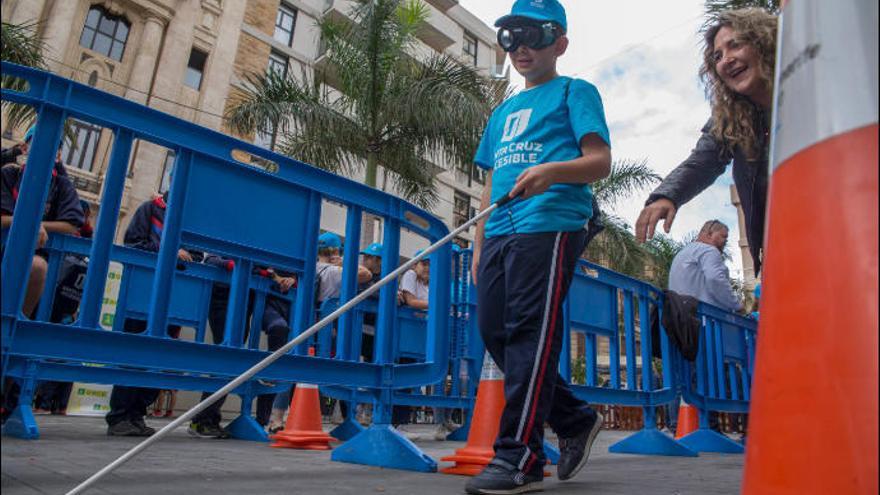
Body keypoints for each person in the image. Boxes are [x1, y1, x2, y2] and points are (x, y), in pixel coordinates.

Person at [467, 1, 611, 492]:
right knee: (493, 329)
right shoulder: (502, 111)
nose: (521, 48)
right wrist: (478, 241)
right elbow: (490, 182)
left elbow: (599, 161)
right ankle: (573, 419)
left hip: (549, 222)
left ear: (560, 43)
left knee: (529, 330)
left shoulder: (575, 91)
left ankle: (519, 458)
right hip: (500, 229)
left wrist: (551, 172)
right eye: (510, 37)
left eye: (534, 36)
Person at [635, 8, 777, 277]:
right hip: (782, 246)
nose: (727, 60)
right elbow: (703, 161)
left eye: (736, 45)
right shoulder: (732, 120)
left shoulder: (814, 84)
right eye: (718, 56)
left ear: (764, 42)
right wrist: (667, 195)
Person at [1, 126, 84, 424]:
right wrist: (28, 222)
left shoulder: (61, 185)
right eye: (42, 144)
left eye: (55, 147)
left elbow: (74, 223)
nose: (50, 151)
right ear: (25, 147)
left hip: (38, 276)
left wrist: (42, 227)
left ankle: (13, 329)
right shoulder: (9, 174)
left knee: (37, 268)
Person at [104, 191, 201, 436]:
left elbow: (198, 254)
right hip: (142, 293)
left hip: (172, 298)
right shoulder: (149, 209)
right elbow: (133, 242)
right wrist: (169, 250)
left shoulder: (191, 220)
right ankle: (119, 416)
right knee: (134, 352)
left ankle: (137, 413)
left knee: (159, 358)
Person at [668, 220, 742, 313]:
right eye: (723, 236)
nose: (725, 241)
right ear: (709, 234)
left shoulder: (684, 252)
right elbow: (715, 279)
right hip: (706, 320)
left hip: (682, 317)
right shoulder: (709, 250)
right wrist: (737, 305)